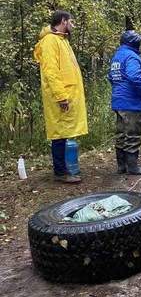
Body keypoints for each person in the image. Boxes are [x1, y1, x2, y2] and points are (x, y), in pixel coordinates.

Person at [33, 10, 88, 183]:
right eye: (71, 22)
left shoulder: (62, 40)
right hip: (60, 97)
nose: (73, 25)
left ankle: (67, 168)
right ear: (63, 21)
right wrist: (61, 96)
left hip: (68, 95)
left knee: (65, 134)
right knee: (59, 134)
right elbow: (51, 72)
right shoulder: (50, 41)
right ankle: (61, 172)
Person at [108, 30, 141, 175]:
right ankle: (132, 166)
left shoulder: (117, 57)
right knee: (133, 134)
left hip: (119, 101)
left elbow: (111, 77)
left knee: (121, 134)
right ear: (134, 43)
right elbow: (134, 77)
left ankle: (121, 166)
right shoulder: (131, 57)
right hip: (132, 102)